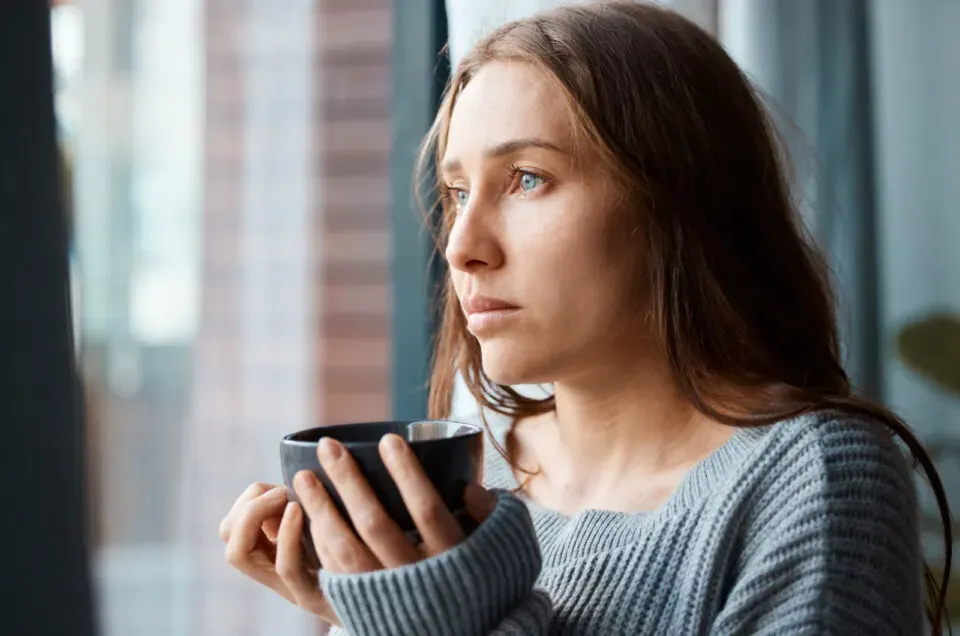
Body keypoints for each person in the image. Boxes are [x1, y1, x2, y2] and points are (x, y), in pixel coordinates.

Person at [218, 3, 953, 634]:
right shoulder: (480, 477)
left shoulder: (812, 484)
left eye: (527, 179)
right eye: (456, 193)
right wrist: (365, 613)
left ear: (676, 206)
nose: (461, 247)